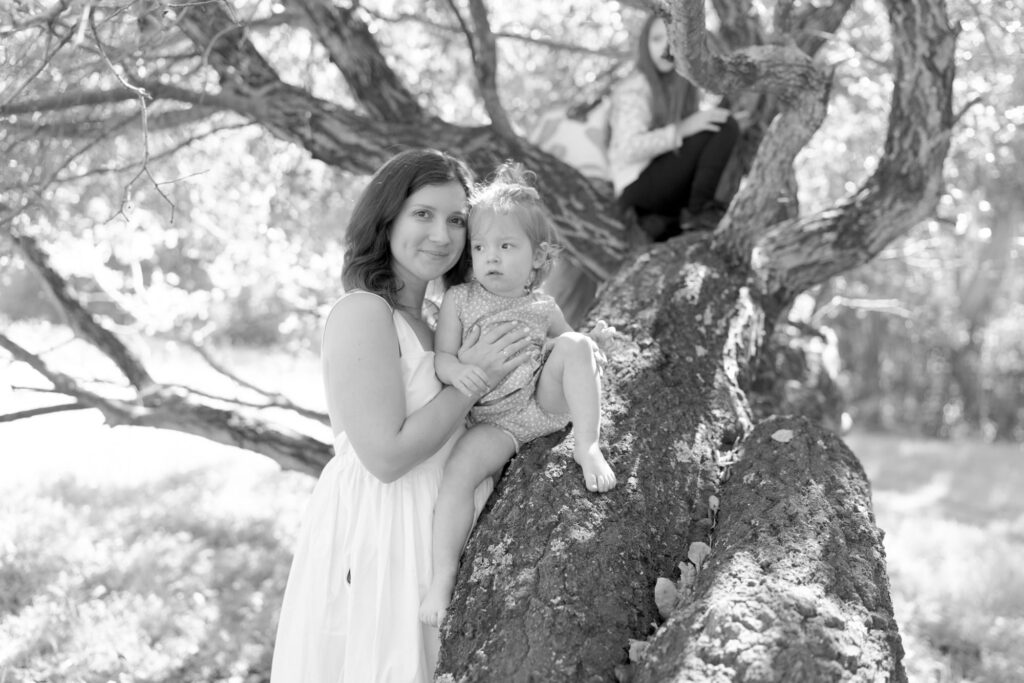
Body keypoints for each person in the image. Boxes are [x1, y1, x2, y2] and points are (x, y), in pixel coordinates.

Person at [270, 148, 533, 683]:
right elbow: (386, 457)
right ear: (386, 219)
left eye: (457, 220)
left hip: (445, 524)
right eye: (423, 214)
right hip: (384, 532)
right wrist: (473, 377)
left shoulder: (442, 321)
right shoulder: (363, 312)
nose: (442, 234)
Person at [418, 162, 617, 628]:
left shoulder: (542, 305)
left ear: (537, 257)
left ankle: (587, 444)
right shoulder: (460, 300)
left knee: (577, 344)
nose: (491, 257)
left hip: (539, 405)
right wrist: (459, 370)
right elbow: (441, 357)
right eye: (482, 246)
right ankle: (442, 577)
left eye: (506, 246)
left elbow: (562, 345)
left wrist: (591, 348)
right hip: (493, 422)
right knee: (458, 474)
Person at [608, 13, 740, 240]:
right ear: (645, 44)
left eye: (672, 40)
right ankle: (700, 213)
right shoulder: (636, 87)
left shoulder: (681, 87)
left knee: (720, 123)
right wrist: (682, 129)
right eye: (656, 39)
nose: (664, 48)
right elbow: (627, 149)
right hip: (636, 189)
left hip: (660, 194)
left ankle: (673, 222)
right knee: (724, 125)